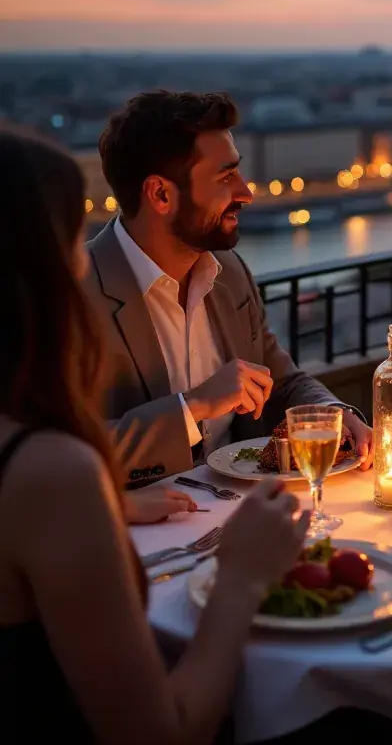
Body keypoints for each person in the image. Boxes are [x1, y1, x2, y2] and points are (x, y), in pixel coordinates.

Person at [0, 128, 312, 743]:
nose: (85, 260)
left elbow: (283, 374)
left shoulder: (228, 273)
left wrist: (109, 507)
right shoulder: (51, 471)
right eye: (73, 242)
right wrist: (241, 577)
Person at [86, 91, 372, 486]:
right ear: (161, 194)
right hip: (134, 519)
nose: (246, 193)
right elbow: (55, 454)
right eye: (225, 177)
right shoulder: (68, 295)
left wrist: (334, 414)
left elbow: (281, 383)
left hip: (240, 510)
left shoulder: (230, 272)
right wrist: (192, 406)